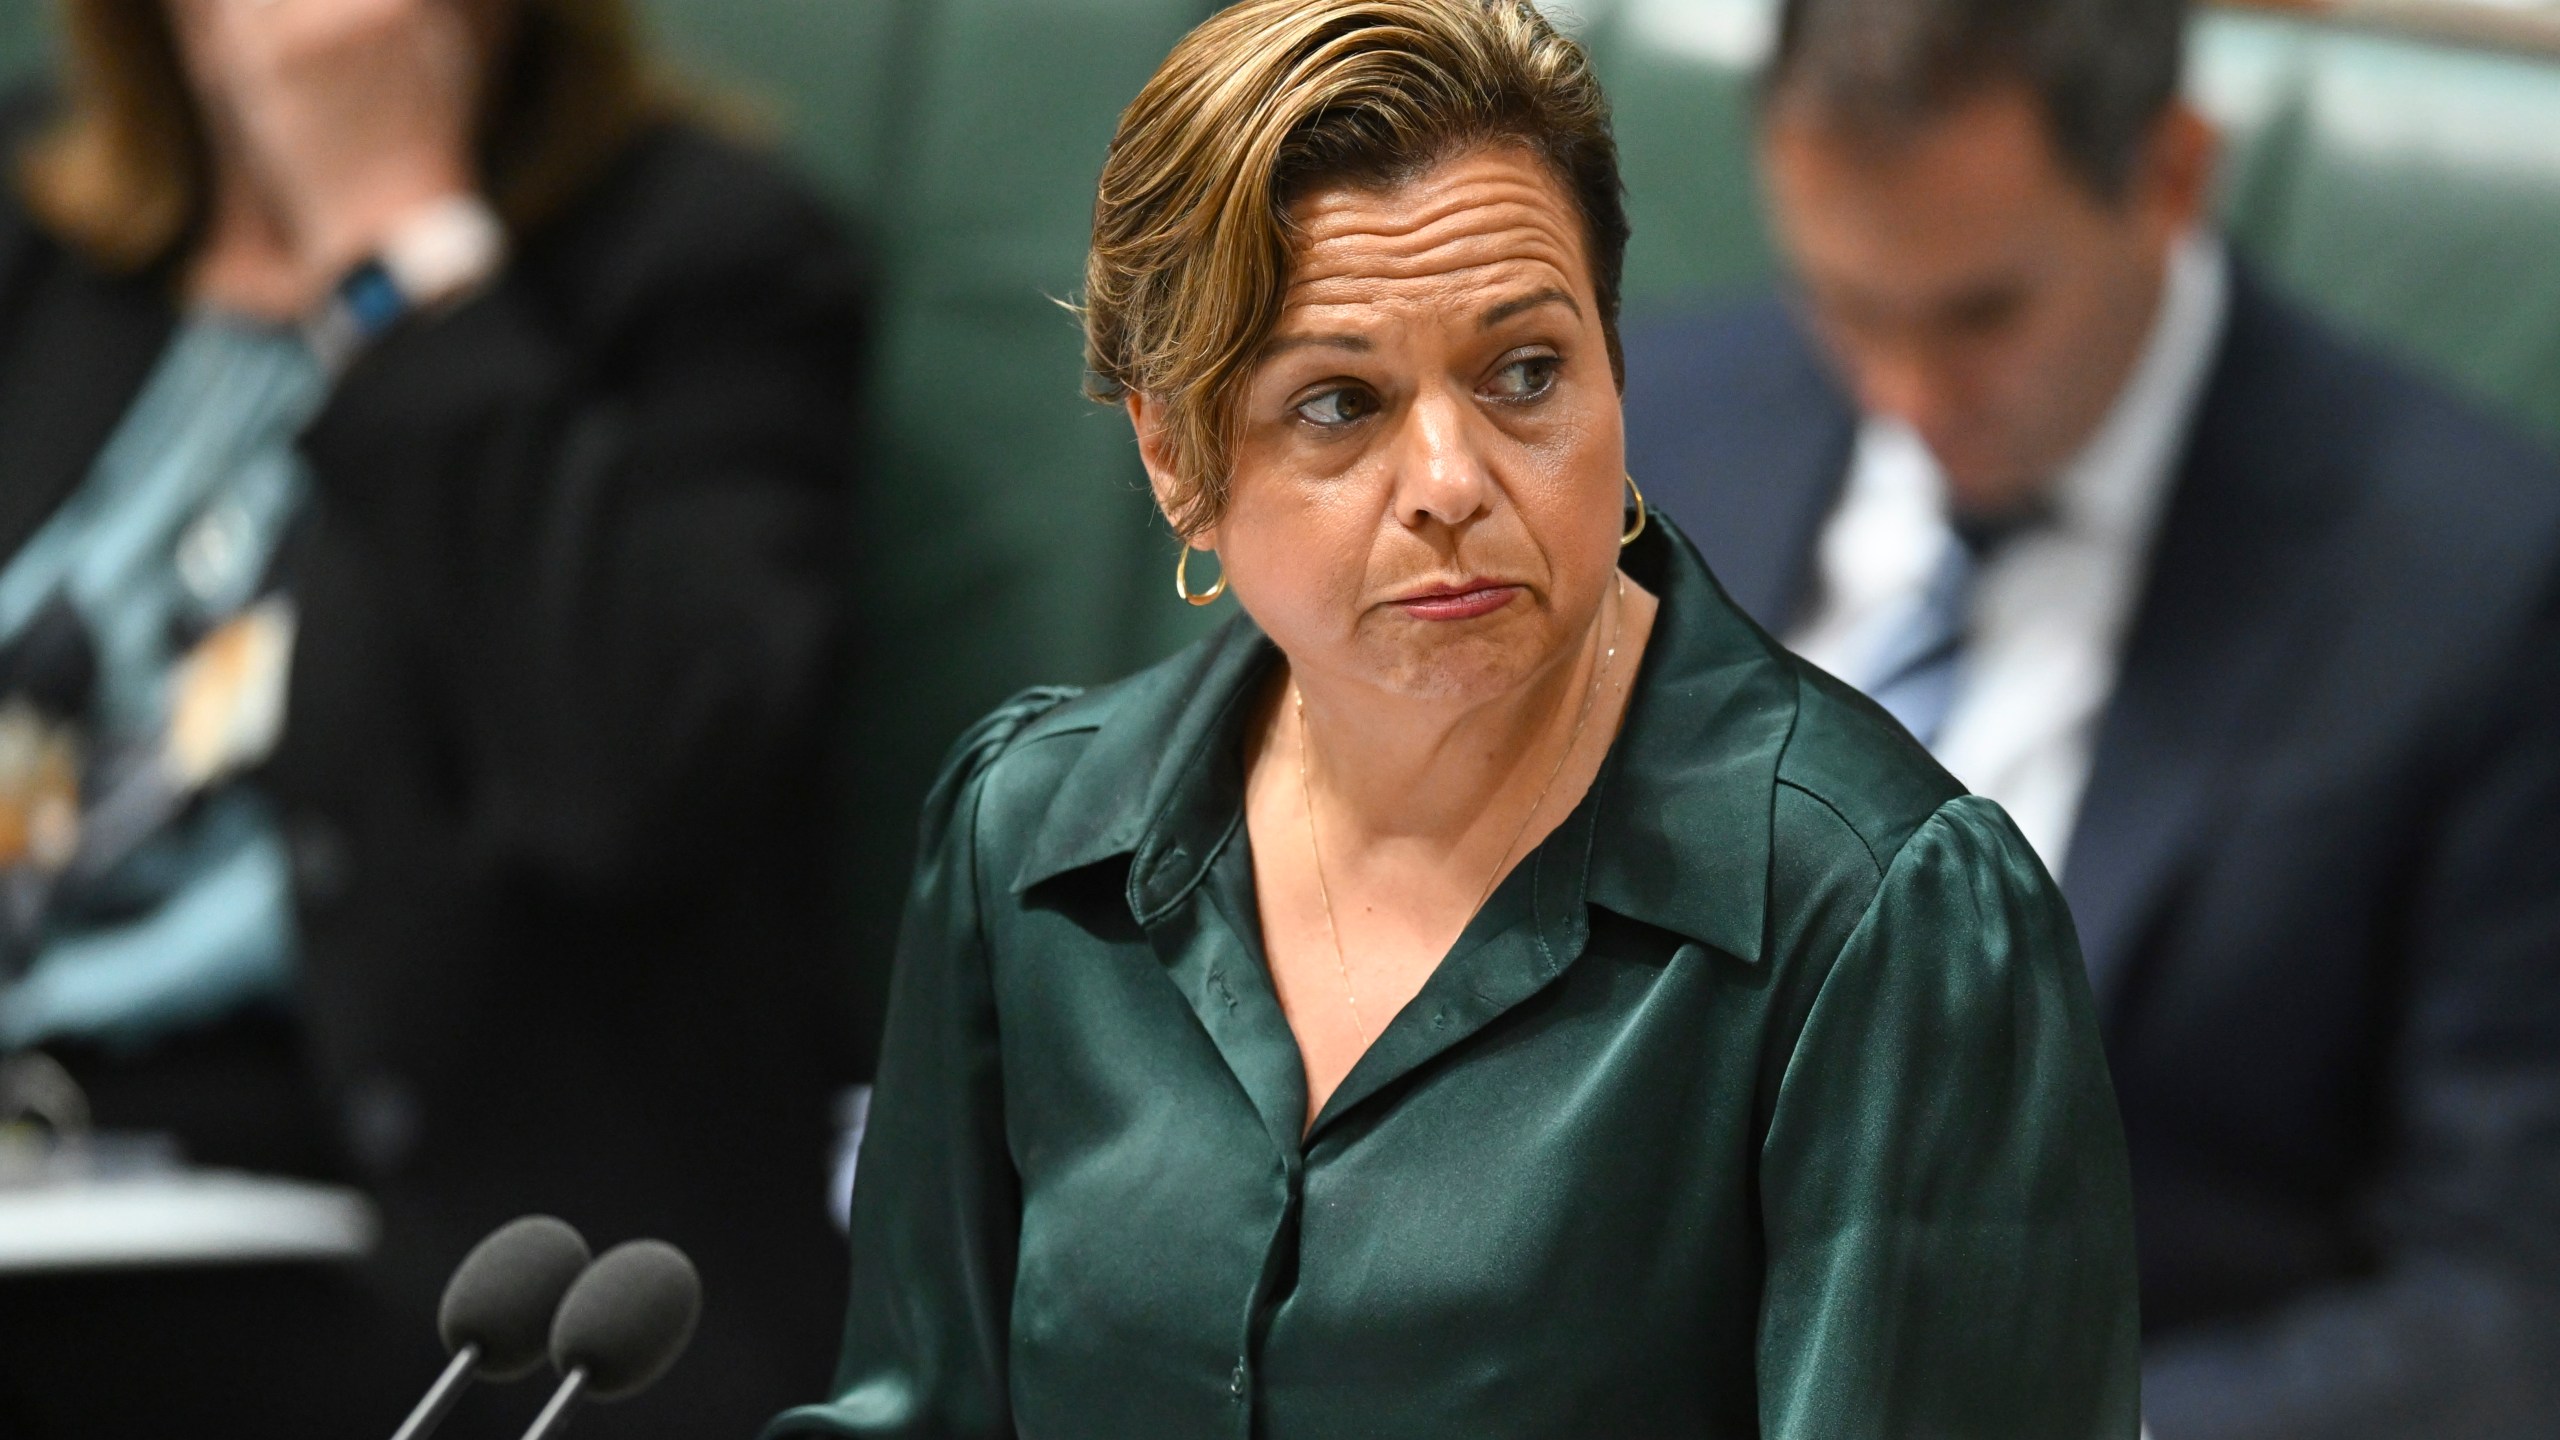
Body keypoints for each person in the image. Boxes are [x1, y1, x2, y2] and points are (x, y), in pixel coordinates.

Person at [770, 3, 2138, 1436]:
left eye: (1524, 373)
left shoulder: (1877, 919)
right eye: (1340, 402)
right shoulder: (1032, 843)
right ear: (1174, 457)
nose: (1451, 479)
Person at [1618, 0, 2560, 1433]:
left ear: (2172, 176)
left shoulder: (2480, 588)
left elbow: (2505, 1308)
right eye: (1844, 302)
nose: (1905, 394)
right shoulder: (1646, 425)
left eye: (1981, 314)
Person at [0, 0, 865, 1434]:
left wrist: (395, 245)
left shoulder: (702, 255)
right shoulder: (38, 218)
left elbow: (635, 777)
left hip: (394, 1261)